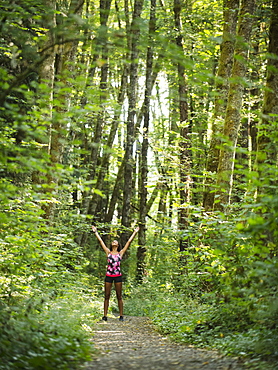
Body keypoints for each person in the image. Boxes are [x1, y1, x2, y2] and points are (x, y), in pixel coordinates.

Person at [91, 225, 140, 322]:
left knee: (119, 295)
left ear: (117, 245)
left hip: (118, 276)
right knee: (107, 295)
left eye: (115, 242)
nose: (113, 242)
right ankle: (105, 315)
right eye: (113, 242)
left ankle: (121, 316)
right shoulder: (108, 252)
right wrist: (95, 232)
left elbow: (128, 242)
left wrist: (135, 232)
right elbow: (101, 242)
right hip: (108, 276)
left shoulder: (120, 253)